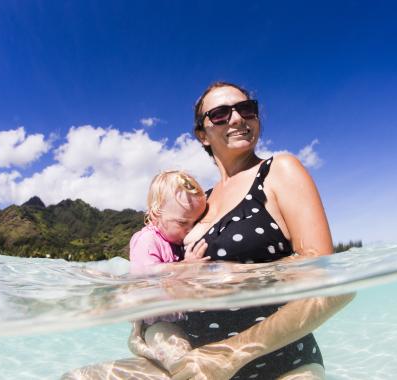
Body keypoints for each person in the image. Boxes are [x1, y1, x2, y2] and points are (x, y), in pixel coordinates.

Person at [62, 82, 354, 379]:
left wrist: (227, 354)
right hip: (193, 364)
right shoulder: (199, 203)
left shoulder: (279, 170)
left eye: (246, 109)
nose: (237, 118)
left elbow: (327, 280)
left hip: (277, 364)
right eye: (220, 114)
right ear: (202, 134)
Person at [129, 170, 209, 373]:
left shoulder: (175, 241)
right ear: (156, 214)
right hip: (155, 324)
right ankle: (140, 340)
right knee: (183, 364)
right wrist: (186, 266)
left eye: (195, 223)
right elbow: (147, 276)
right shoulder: (147, 240)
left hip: (176, 320)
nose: (190, 230)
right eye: (183, 223)